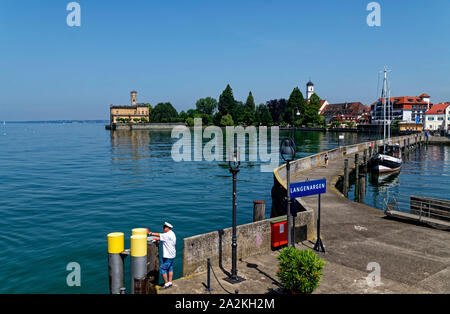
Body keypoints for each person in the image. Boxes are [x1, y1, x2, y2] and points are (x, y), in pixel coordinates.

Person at [148, 222, 176, 289]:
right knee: (170, 268)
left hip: (167, 255)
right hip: (172, 254)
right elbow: (165, 238)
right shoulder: (172, 233)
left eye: (164, 227)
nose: (163, 228)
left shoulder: (167, 235)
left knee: (162, 268)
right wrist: (158, 239)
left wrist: (150, 233)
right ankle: (170, 282)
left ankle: (166, 284)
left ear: (167, 228)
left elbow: (159, 235)